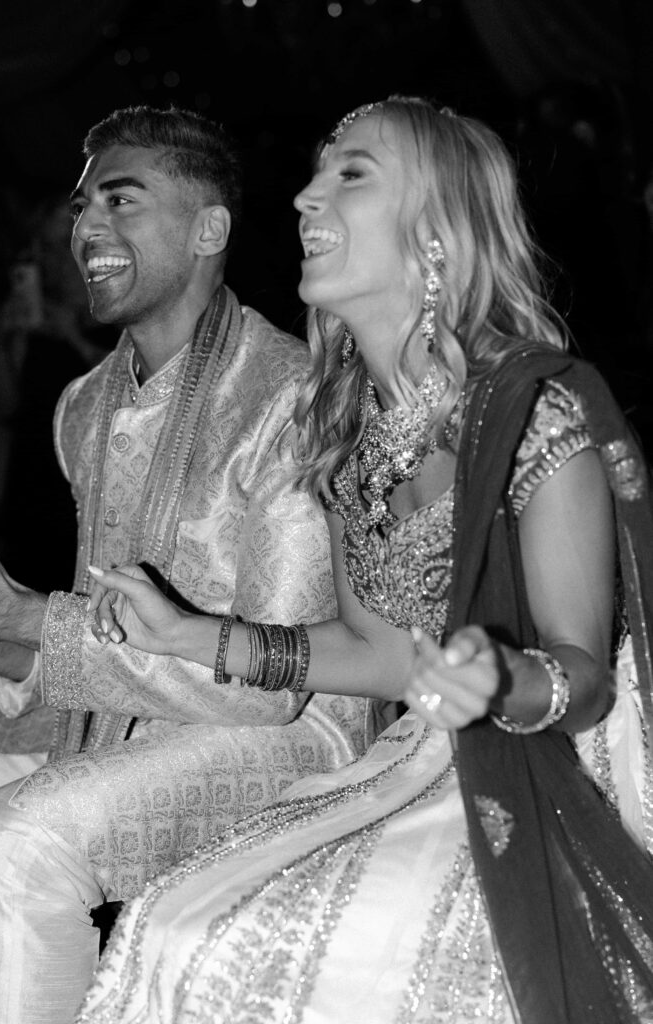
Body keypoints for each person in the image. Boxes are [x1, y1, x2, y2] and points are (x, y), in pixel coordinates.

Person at [73, 95, 653, 1024]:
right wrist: (191, 634)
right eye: (314, 172)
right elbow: (377, 650)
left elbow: (582, 682)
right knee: (167, 925)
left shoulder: (533, 410)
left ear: (436, 232)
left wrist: (498, 676)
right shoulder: (348, 432)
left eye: (351, 175)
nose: (306, 197)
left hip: (554, 772)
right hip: (417, 757)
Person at [0, 105, 390, 1024]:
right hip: (124, 720)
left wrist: (27, 620)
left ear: (210, 230)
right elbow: (90, 638)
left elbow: (268, 689)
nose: (86, 228)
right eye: (81, 207)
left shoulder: (292, 398)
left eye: (122, 200)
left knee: (19, 835)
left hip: (289, 735)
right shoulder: (81, 405)